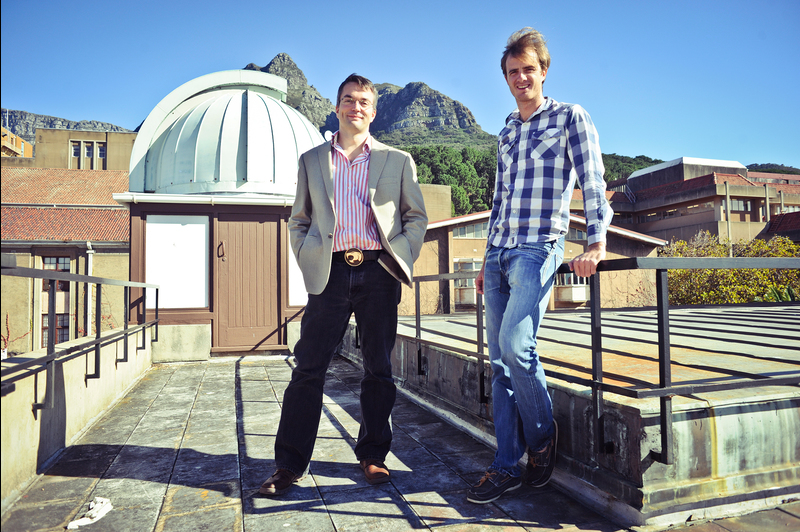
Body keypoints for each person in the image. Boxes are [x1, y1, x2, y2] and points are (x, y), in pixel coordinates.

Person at [260, 73, 428, 496]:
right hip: (330, 274)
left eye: (364, 102)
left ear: (374, 111)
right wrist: (308, 256)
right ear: (337, 107)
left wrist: (398, 260)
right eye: (348, 100)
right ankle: (289, 466)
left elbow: (416, 219)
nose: (356, 107)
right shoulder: (312, 159)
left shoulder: (397, 159)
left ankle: (373, 456)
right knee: (309, 368)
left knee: (379, 369)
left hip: (379, 273)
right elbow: (298, 220)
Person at [467, 28, 613, 504]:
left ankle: (543, 435)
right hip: (499, 251)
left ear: (543, 71)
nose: (520, 78)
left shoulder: (571, 117)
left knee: (516, 344)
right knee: (498, 363)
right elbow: (498, 197)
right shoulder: (507, 128)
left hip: (538, 247)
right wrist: (487, 254)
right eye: (512, 72)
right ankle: (506, 464)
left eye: (528, 69)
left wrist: (595, 243)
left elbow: (592, 180)